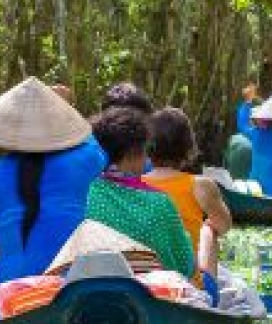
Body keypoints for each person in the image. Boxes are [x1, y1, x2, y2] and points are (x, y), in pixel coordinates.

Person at [0, 78, 99, 320]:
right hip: (73, 290)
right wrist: (62, 110)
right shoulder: (86, 162)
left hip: (9, 299)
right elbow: (90, 141)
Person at [79, 106, 198, 278]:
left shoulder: (83, 193)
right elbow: (184, 267)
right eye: (145, 151)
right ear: (132, 154)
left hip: (94, 289)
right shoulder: (159, 203)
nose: (147, 158)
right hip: (149, 299)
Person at [143, 107, 233, 279]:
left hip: (150, 281)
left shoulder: (135, 183)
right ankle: (208, 294)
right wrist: (206, 227)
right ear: (188, 146)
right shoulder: (201, 185)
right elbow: (224, 225)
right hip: (189, 284)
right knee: (210, 230)